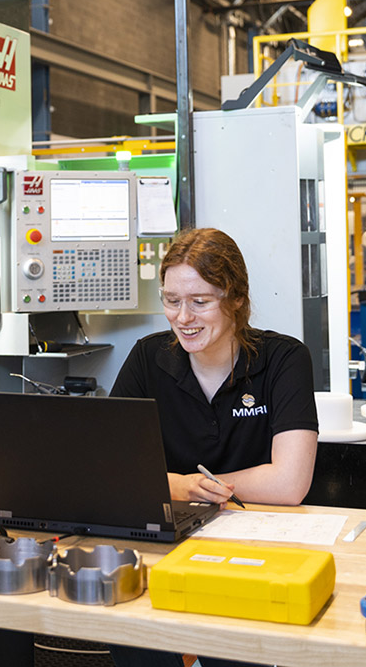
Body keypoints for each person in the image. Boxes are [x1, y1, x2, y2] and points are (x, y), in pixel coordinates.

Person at [109, 227, 319, 667]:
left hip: (259, 544)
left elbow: (289, 482)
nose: (183, 317)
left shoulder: (283, 360)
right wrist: (185, 488)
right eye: (171, 300)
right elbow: (113, 471)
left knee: (240, 652)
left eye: (200, 301)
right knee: (135, 637)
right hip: (168, 537)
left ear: (236, 298)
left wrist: (188, 485)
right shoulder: (148, 359)